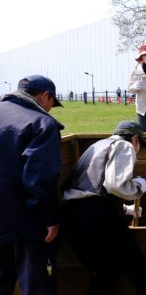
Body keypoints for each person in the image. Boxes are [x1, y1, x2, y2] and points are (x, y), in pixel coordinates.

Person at [62, 120, 146, 295]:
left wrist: (126, 209)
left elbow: (91, 189)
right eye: (140, 146)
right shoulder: (124, 146)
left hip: (72, 216)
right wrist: (138, 187)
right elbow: (115, 185)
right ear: (135, 139)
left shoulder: (98, 145)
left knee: (105, 271)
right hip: (97, 217)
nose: (138, 151)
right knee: (139, 268)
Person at [0, 75, 64, 295]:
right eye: (52, 103)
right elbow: (39, 179)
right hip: (24, 222)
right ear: (45, 96)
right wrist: (49, 219)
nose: (50, 109)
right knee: (38, 286)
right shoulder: (41, 124)